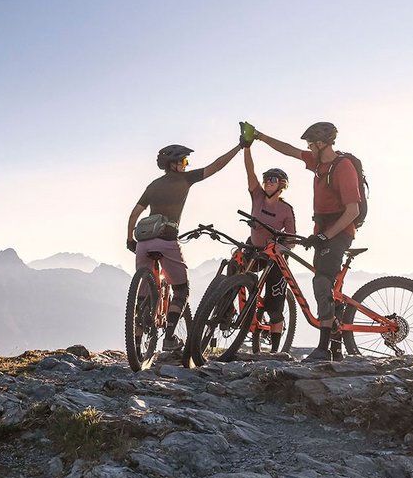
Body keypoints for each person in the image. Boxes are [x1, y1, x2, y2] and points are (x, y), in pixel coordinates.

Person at [246, 120, 360, 363]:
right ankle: (337, 344)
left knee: (321, 282)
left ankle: (323, 348)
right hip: (322, 231)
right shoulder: (318, 163)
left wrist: (325, 236)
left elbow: (353, 211)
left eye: (311, 144)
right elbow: (288, 149)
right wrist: (260, 136)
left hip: (339, 231)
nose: (308, 148)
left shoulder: (344, 167)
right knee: (326, 285)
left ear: (321, 143)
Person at [127, 140, 242, 351]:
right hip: (167, 240)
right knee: (181, 290)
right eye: (184, 161)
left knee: (142, 295)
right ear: (174, 164)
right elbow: (216, 166)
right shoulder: (185, 179)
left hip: (143, 243)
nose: (187, 165)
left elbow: (134, 214)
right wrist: (238, 147)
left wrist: (130, 240)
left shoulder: (152, 185)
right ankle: (169, 338)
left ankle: (135, 344)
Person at [242, 143, 297, 353]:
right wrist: (246, 148)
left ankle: (275, 350)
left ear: (282, 185)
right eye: (265, 179)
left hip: (275, 257)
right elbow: (250, 172)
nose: (266, 183)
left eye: (271, 180)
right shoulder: (257, 196)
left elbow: (290, 240)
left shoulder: (286, 209)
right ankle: (226, 309)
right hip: (254, 249)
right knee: (232, 266)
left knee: (275, 301)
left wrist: (281, 247)